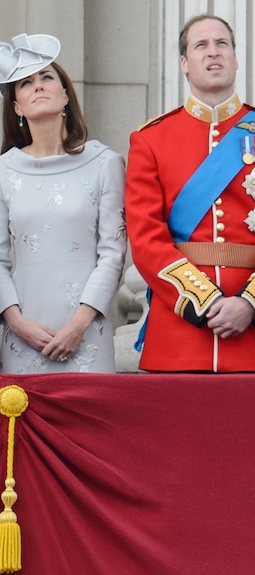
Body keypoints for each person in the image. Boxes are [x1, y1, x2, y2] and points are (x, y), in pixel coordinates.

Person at [0, 30, 126, 374]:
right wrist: (17, 323)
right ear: (16, 105)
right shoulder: (1, 170)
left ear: (65, 96)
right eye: (26, 83)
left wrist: (79, 323)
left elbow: (113, 253)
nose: (39, 85)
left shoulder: (105, 162)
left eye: (47, 77)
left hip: (88, 332)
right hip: (23, 333)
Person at [125, 14, 255, 372]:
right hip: (180, 336)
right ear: (184, 63)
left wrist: (248, 304)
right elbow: (145, 237)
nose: (213, 53)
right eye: (201, 45)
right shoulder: (151, 139)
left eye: (222, 44)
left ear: (235, 58)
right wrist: (206, 302)